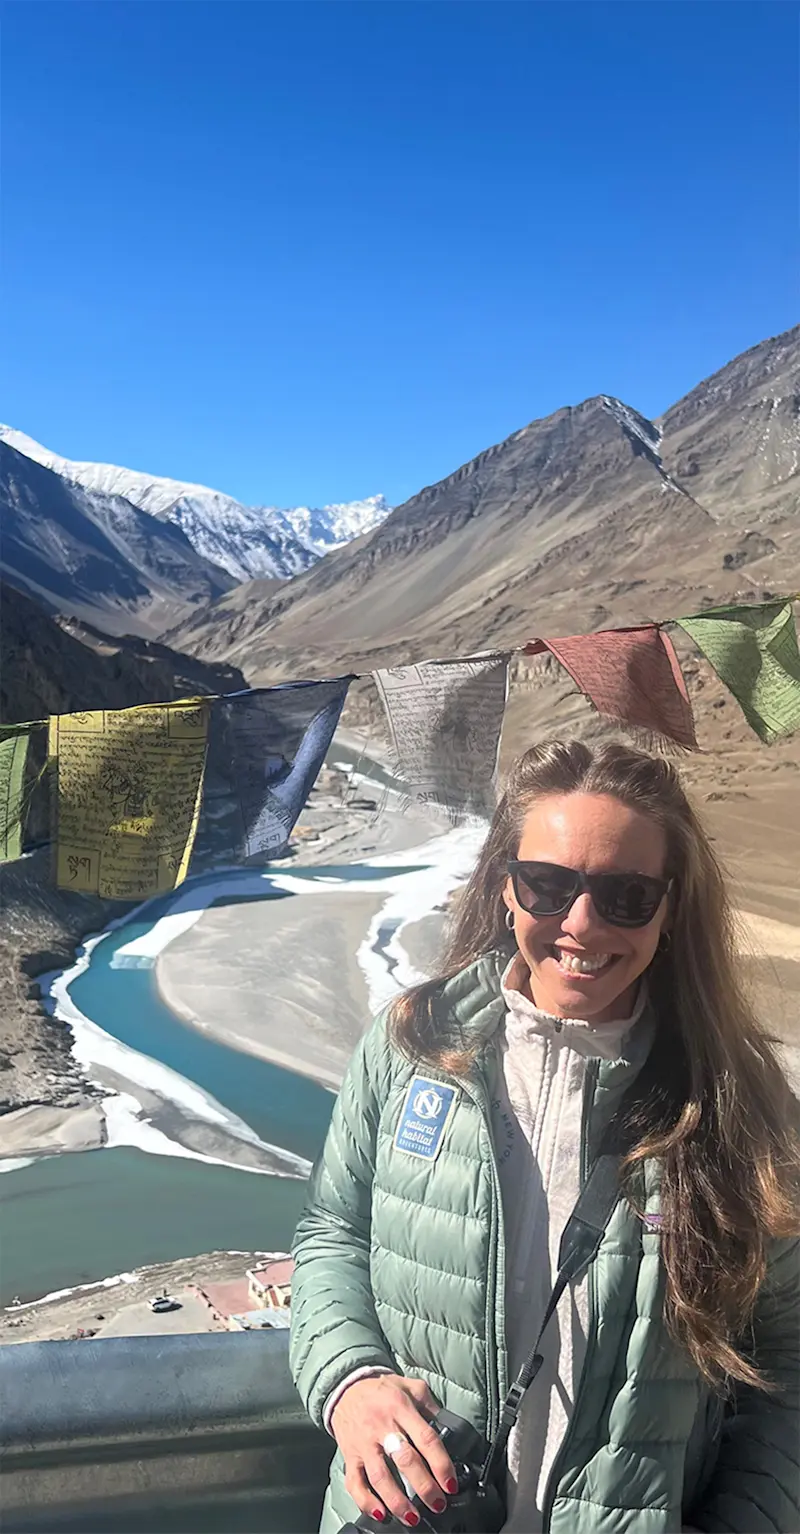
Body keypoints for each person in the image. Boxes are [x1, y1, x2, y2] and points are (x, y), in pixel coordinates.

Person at [290, 740, 800, 1534]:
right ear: (507, 890)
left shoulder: (738, 1103)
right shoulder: (412, 1046)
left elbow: (790, 1361)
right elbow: (332, 1234)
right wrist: (348, 1383)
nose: (581, 923)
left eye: (627, 895)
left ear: (670, 910)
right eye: (549, 884)